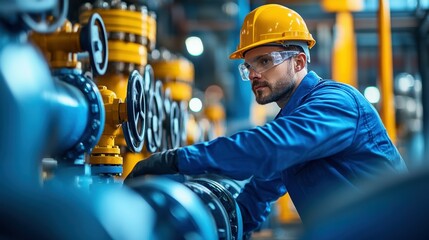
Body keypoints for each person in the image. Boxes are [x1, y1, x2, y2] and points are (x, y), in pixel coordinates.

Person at [125, 3, 408, 237]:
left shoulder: (335, 103)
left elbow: (269, 149)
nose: (253, 74)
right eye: (248, 66)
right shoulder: (295, 122)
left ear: (298, 62)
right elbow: (257, 196)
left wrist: (177, 159)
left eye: (264, 61)